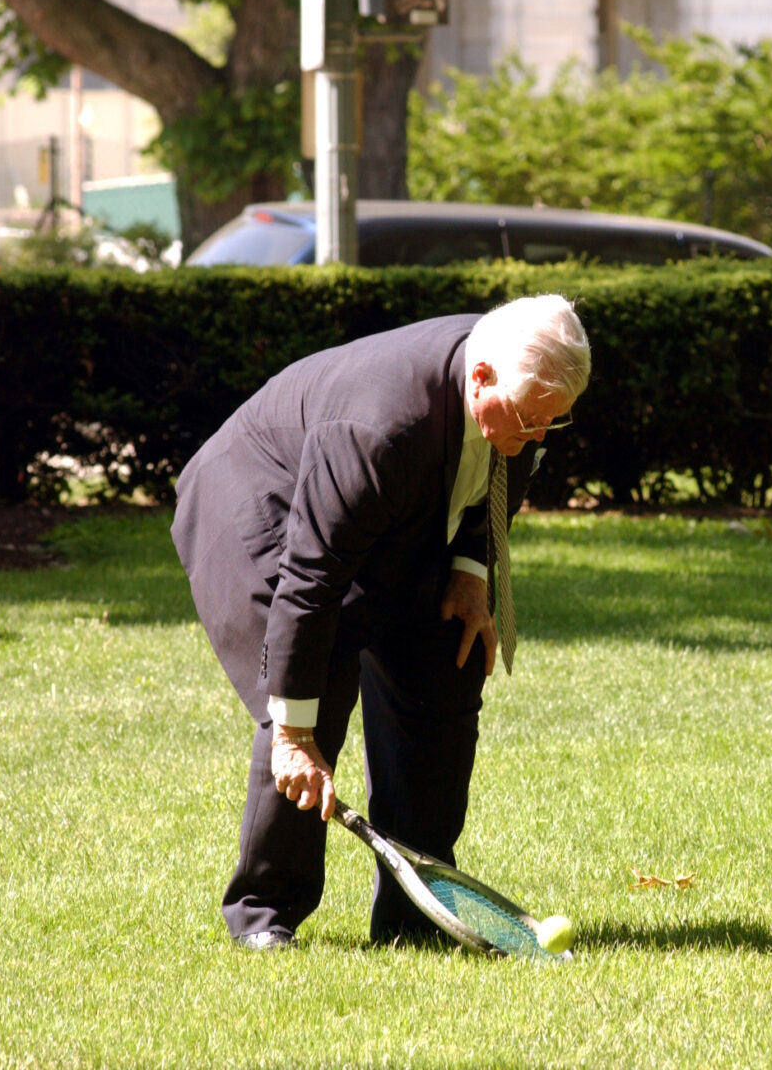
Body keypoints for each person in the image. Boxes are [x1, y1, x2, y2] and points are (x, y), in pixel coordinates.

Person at [170, 294, 591, 949]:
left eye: (555, 423)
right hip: (263, 506)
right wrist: (291, 733)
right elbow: (310, 581)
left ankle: (416, 916)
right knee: (314, 695)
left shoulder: (520, 395)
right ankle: (264, 913)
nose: (539, 437)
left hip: (394, 511)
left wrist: (471, 573)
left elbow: (499, 475)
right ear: (479, 379)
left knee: (442, 668)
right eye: (533, 420)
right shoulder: (383, 426)